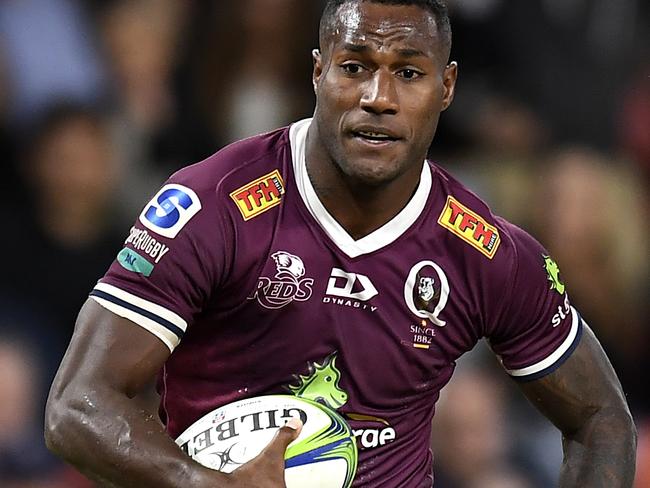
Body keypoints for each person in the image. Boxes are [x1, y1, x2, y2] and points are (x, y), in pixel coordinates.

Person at [44, 1, 637, 486]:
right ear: (317, 71)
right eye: (354, 66)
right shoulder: (214, 203)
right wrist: (201, 484)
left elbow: (600, 418)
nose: (378, 96)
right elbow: (77, 404)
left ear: (447, 86)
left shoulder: (482, 251)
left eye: (408, 72)